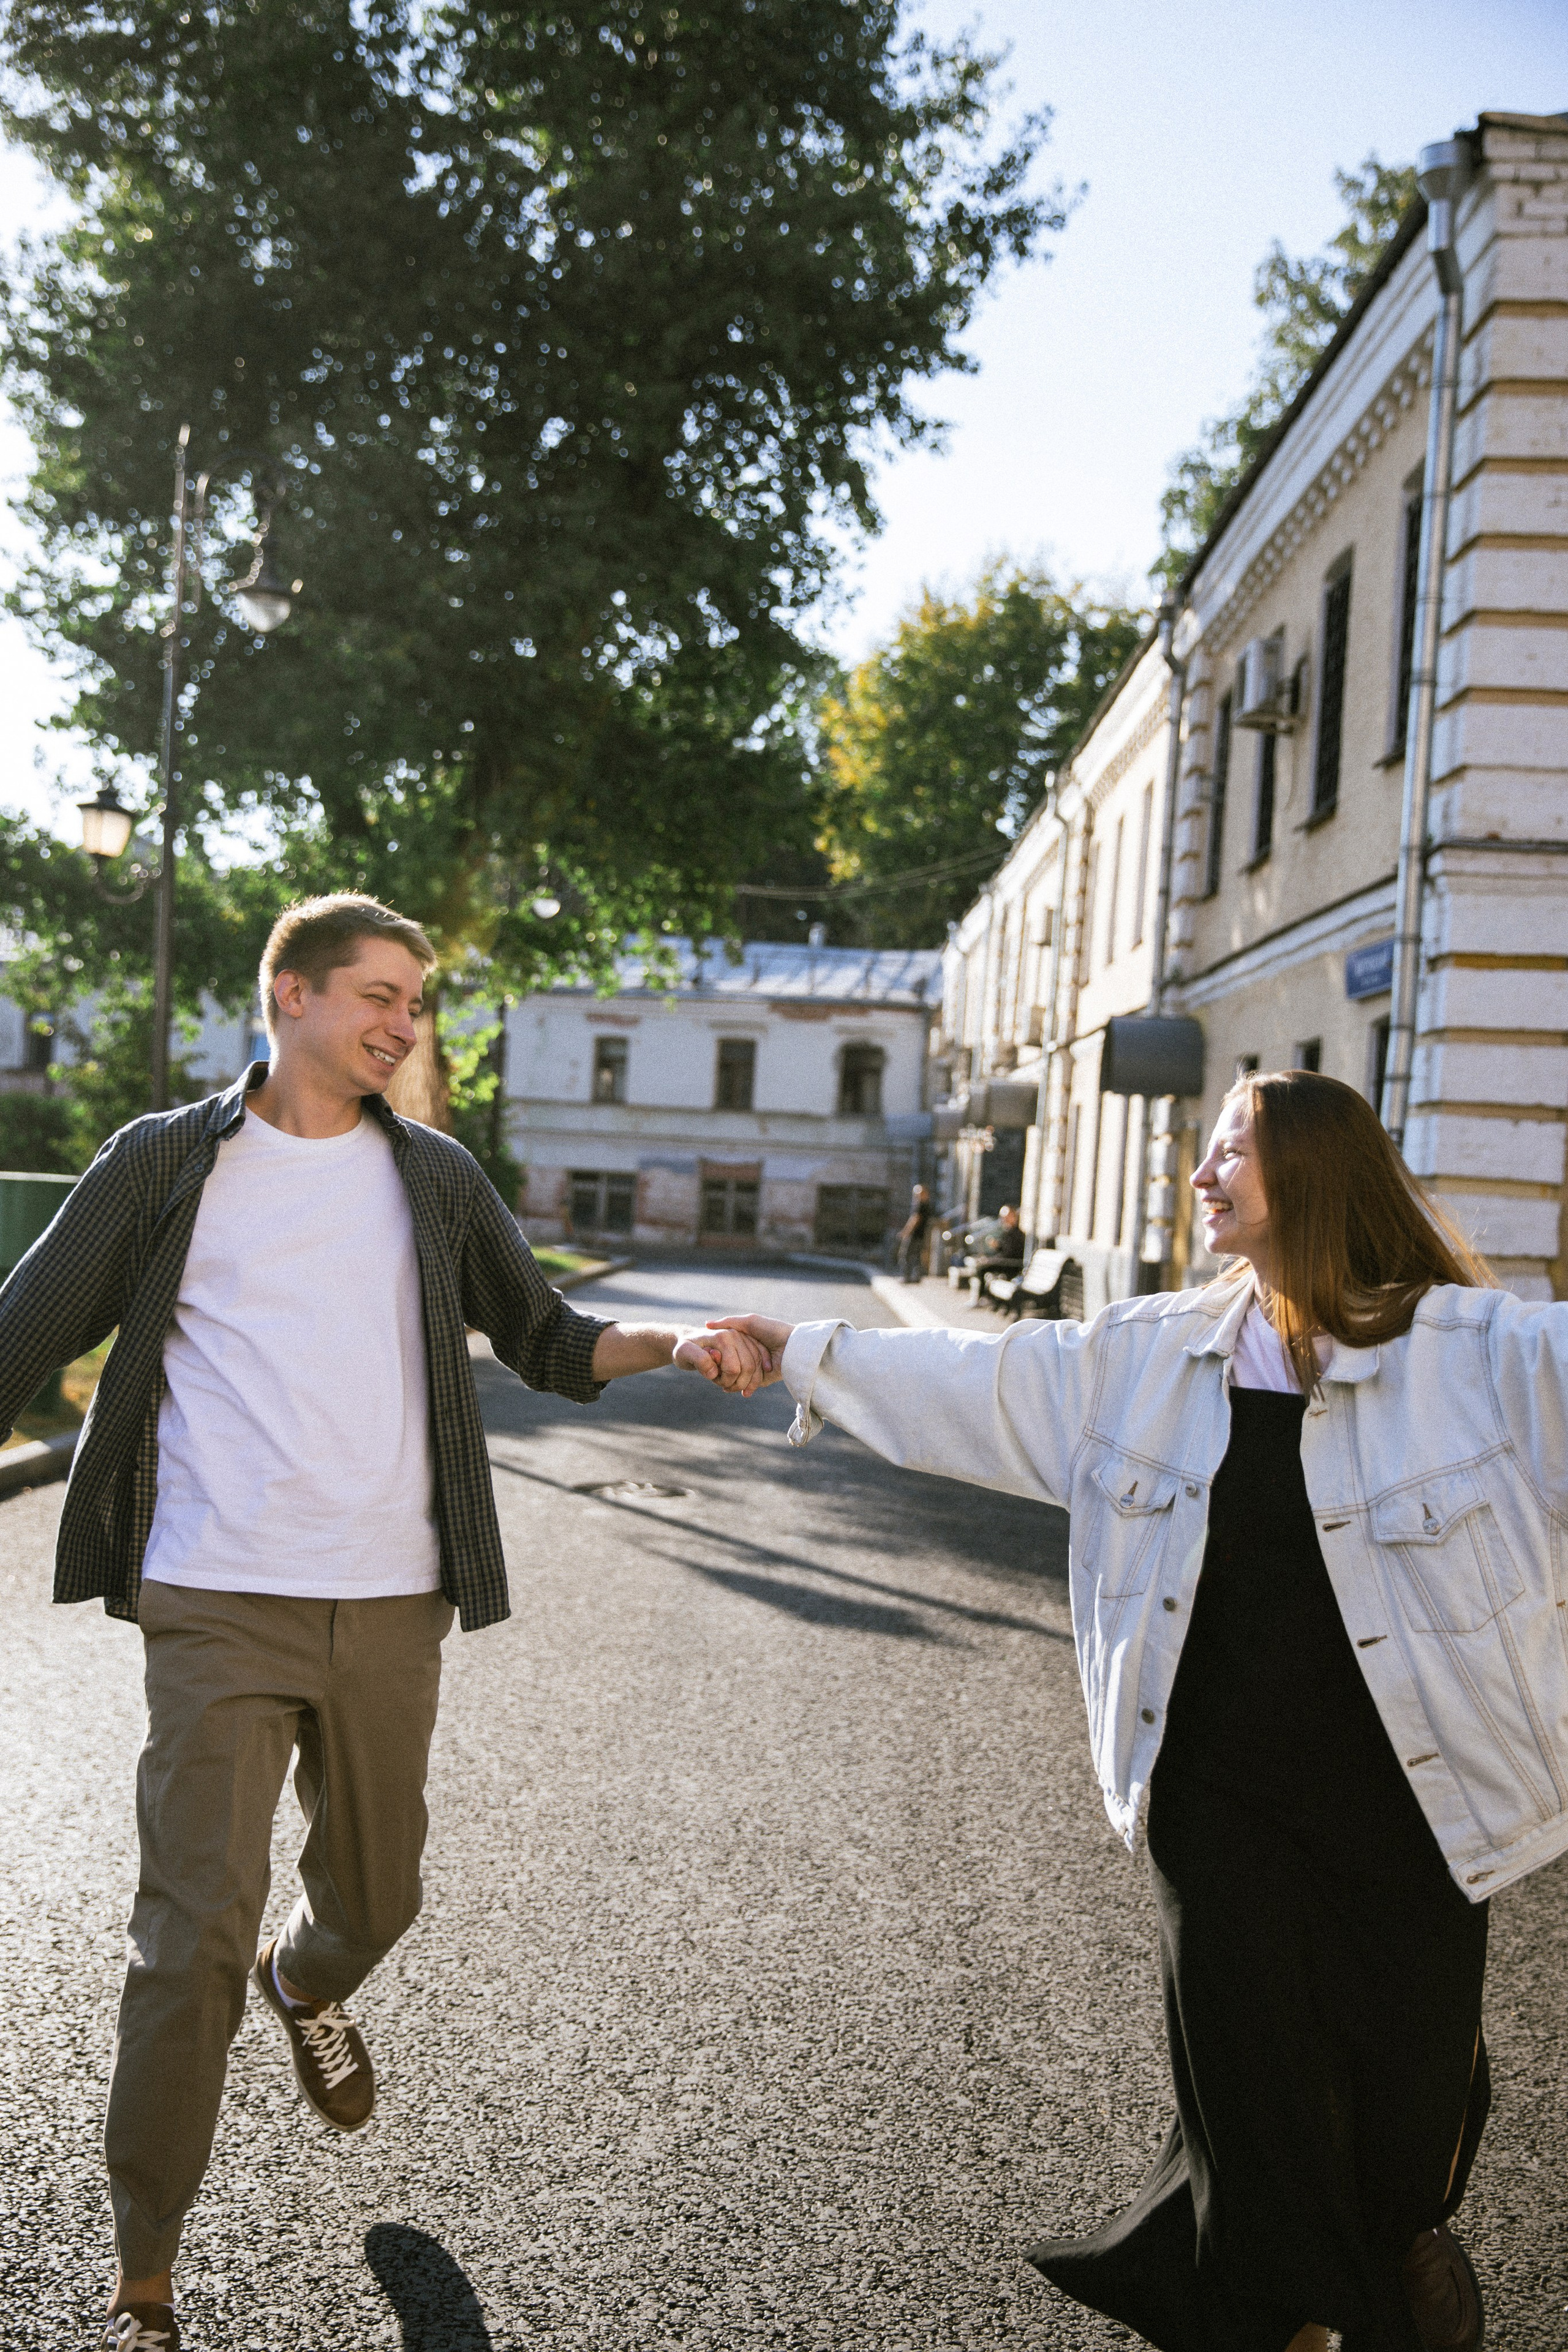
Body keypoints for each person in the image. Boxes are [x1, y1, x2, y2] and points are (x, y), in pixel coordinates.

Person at [0, 894, 769, 2352]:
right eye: (378, 994)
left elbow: (542, 1335)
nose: (403, 1024)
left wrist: (668, 1336)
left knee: (380, 1893)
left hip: (392, 1600)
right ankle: (143, 2272)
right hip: (215, 1597)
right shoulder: (165, 1164)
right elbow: (22, 1333)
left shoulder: (432, 1175)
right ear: (287, 995)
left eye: (415, 1002)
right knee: (188, 1932)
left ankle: (313, 1978)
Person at [714, 1068, 1568, 2352]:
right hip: (1215, 1793)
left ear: (1315, 1172)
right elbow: (978, 1382)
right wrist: (803, 1352)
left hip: (1416, 1794)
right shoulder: (1148, 1357)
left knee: (1404, 2110)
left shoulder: (1485, 1359)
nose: (1199, 1173)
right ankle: (1300, 2322)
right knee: (1254, 2102)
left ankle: (1395, 2234)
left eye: (1229, 1150)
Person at [897, 1183, 933, 1283]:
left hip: (915, 1234)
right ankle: (916, 1277)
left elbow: (915, 1219)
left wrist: (906, 1232)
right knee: (917, 1256)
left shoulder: (920, 1205)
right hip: (922, 1235)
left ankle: (907, 1277)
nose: (916, 1196)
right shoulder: (927, 1206)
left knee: (906, 1255)